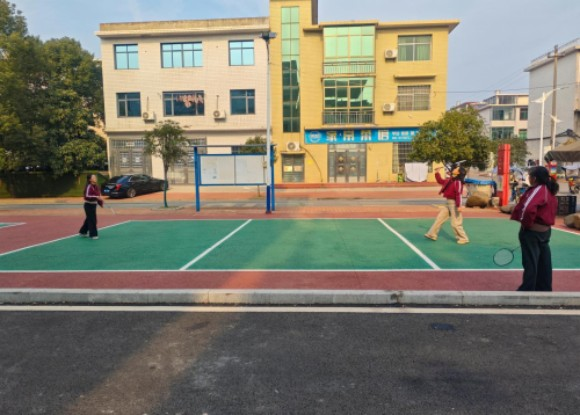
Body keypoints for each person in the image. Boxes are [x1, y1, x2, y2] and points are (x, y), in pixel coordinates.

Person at [510, 166, 559, 291]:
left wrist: (526, 225)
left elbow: (527, 208)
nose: (529, 178)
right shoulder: (548, 190)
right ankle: (544, 289)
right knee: (544, 262)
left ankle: (527, 289)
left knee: (530, 262)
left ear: (535, 178)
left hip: (532, 231)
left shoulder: (539, 190)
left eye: (530, 176)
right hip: (545, 231)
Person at [424, 164, 469, 244]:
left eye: (457, 168)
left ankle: (463, 238)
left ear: (459, 172)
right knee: (440, 219)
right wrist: (437, 173)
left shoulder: (458, 182)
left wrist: (459, 205)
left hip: (454, 203)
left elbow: (458, 194)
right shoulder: (450, 180)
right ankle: (432, 234)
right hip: (448, 202)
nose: (455, 169)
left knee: (455, 223)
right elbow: (440, 181)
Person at [79, 174, 104, 240]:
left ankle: (82, 232)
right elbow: (87, 196)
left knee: (89, 219)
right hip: (88, 205)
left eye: (95, 177)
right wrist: (97, 197)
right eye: (94, 177)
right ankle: (93, 235)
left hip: (94, 205)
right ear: (90, 179)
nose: (95, 178)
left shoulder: (97, 186)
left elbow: (99, 196)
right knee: (93, 220)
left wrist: (101, 203)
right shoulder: (88, 186)